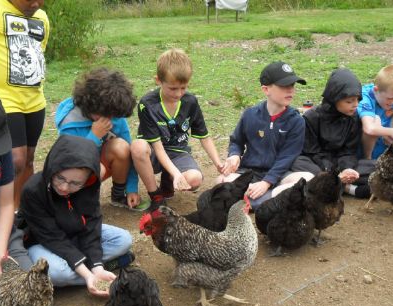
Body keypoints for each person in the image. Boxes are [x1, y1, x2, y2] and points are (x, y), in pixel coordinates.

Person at [19, 135, 133, 297]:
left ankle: (92, 269)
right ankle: (95, 270)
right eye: (60, 178)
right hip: (43, 242)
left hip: (75, 233)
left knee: (123, 239)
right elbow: (52, 237)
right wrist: (87, 274)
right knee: (57, 273)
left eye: (75, 183)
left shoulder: (89, 186)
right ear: (52, 168)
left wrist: (97, 267)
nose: (64, 187)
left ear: (88, 179)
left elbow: (92, 224)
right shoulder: (33, 190)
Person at [131, 48, 223, 210]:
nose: (179, 93)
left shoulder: (190, 101)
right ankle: (156, 196)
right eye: (173, 88)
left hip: (178, 152)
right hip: (153, 152)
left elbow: (204, 136)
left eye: (183, 88)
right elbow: (158, 148)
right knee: (138, 146)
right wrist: (177, 173)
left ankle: (168, 180)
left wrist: (218, 163)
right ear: (158, 80)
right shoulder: (147, 104)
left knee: (194, 179)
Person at [219, 61, 313, 209]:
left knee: (308, 179)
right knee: (222, 181)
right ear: (266, 89)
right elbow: (236, 141)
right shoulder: (250, 115)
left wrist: (267, 182)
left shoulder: (296, 121)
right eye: (284, 86)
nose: (290, 90)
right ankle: (268, 201)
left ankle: (258, 200)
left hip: (280, 175)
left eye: (292, 85)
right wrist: (234, 154)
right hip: (249, 172)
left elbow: (288, 157)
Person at [55, 67, 149, 211]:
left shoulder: (111, 111)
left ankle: (118, 195)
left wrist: (131, 188)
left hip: (100, 165)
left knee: (121, 147)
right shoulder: (70, 121)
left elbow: (129, 153)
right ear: (91, 105)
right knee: (99, 169)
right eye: (107, 114)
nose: (110, 119)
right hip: (74, 171)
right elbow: (73, 159)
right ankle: (74, 199)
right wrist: (94, 135)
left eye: (113, 115)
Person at [0, 0, 49, 209]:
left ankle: (22, 213)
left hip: (35, 100)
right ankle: (4, 212)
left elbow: (39, 52)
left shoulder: (42, 17)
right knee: (15, 159)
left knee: (28, 159)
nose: (36, 4)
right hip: (4, 98)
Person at [291, 68, 374, 199]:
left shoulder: (353, 117)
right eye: (349, 101)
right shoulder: (312, 117)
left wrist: (347, 169)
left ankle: (336, 185)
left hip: (340, 163)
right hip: (318, 164)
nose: (355, 105)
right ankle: (344, 187)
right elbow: (311, 152)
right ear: (335, 99)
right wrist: (332, 172)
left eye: (357, 100)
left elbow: (349, 151)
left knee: (376, 167)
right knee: (297, 162)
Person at [0, 95, 32, 306]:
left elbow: (6, 204)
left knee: (28, 293)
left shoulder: (1, 152)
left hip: (2, 233)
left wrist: (0, 253)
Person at [358, 64, 393, 160]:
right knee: (376, 120)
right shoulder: (364, 97)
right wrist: (391, 131)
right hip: (362, 150)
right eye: (391, 98)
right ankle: (367, 161)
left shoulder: (390, 95)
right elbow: (369, 129)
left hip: (384, 146)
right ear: (376, 90)